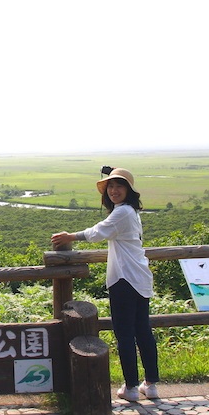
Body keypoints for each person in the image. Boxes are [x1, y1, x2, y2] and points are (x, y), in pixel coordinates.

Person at [51, 167, 160, 402]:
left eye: (119, 186)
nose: (113, 190)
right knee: (143, 331)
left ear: (129, 190)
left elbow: (98, 232)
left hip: (124, 279)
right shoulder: (131, 212)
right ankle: (150, 384)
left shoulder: (122, 213)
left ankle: (130, 387)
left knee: (125, 333)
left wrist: (70, 236)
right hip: (139, 277)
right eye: (110, 186)